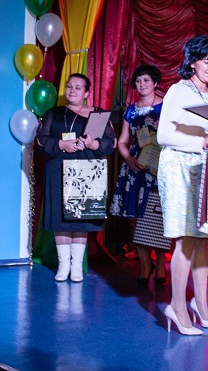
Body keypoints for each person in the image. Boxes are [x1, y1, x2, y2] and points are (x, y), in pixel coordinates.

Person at [157, 35, 208, 335]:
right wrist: (202, 142)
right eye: (206, 61)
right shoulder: (178, 90)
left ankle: (200, 304)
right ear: (192, 62)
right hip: (177, 168)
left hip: (201, 169)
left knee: (202, 239)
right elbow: (163, 135)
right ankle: (176, 307)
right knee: (186, 238)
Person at [36, 73, 117, 282]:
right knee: (61, 219)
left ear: (87, 93)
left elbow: (111, 142)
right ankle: (63, 265)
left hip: (86, 171)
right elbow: (41, 139)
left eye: (78, 87)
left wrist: (92, 144)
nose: (72, 90)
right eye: (69, 86)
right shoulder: (53, 113)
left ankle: (77, 266)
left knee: (82, 219)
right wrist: (61, 144)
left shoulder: (98, 114)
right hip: (58, 168)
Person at [110, 65, 168, 285]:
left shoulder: (166, 106)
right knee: (138, 218)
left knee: (158, 216)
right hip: (136, 167)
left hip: (160, 167)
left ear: (155, 83)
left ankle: (160, 263)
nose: (142, 84)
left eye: (146, 80)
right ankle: (145, 265)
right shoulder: (131, 110)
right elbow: (122, 141)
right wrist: (128, 159)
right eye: (138, 81)